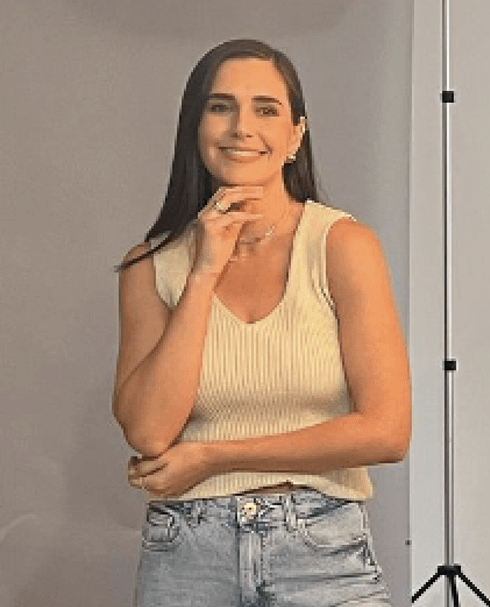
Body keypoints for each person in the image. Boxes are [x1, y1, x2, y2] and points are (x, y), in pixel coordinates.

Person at [112, 39, 411, 607]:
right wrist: (203, 272)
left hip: (320, 550)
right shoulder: (150, 265)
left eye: (265, 109)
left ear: (296, 135)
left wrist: (215, 456)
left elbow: (387, 431)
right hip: (186, 555)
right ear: (195, 127)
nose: (241, 127)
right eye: (220, 106)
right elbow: (149, 433)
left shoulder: (342, 245)